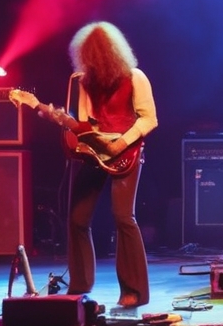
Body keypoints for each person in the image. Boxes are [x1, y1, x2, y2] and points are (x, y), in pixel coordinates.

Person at [64, 21, 158, 311]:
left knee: (122, 216)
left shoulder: (135, 77)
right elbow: (85, 120)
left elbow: (148, 118)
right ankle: (80, 285)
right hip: (96, 153)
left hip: (127, 151)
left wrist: (120, 143)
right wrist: (69, 129)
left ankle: (134, 290)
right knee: (78, 218)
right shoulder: (82, 81)